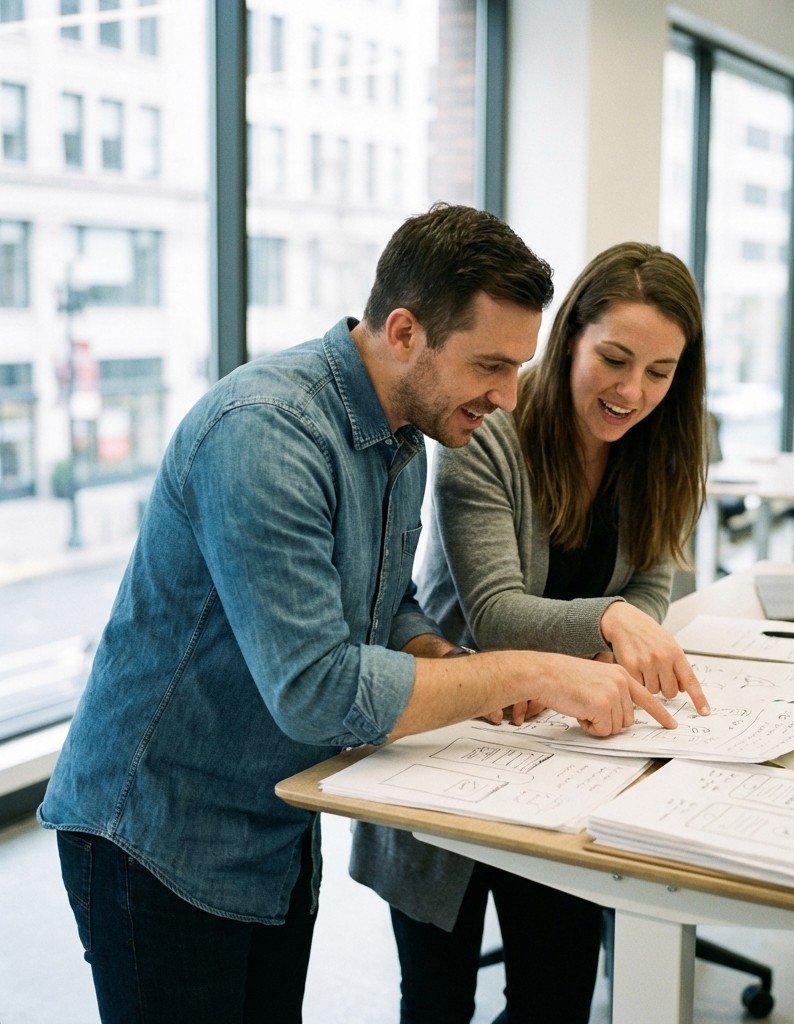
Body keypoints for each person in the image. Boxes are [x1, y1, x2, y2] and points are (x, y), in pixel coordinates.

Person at [37, 205, 678, 1024]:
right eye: (490, 365)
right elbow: (316, 688)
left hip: (273, 826)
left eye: (518, 367)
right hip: (159, 833)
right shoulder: (266, 433)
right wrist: (522, 671)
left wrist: (441, 658)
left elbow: (384, 603)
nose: (509, 396)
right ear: (405, 332)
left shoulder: (403, 436)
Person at [350, 241, 711, 1024]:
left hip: (574, 765)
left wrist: (628, 623)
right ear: (570, 335)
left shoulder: (667, 446)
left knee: (556, 999)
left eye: (660, 372)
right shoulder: (489, 430)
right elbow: (498, 613)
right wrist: (611, 620)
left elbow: (651, 584)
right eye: (613, 359)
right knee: (437, 1000)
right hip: (457, 744)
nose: (632, 392)